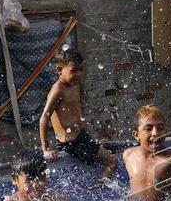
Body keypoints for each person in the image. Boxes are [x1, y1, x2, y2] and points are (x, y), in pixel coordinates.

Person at [39, 48, 118, 176]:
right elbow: (44, 118)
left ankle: (95, 184)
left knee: (104, 154)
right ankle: (99, 189)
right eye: (74, 70)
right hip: (71, 143)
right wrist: (45, 149)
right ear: (59, 70)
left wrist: (92, 138)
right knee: (112, 162)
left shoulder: (75, 85)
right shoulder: (58, 90)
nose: (79, 74)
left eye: (81, 69)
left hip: (81, 137)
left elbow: (79, 115)